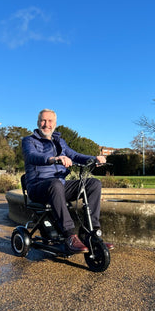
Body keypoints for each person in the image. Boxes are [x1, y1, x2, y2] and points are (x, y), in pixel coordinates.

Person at [22, 108, 114, 253]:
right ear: (38, 122)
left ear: (55, 123)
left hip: (59, 186)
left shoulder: (60, 142)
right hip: (38, 186)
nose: (46, 124)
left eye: (50, 121)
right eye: (43, 120)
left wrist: (93, 159)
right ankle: (69, 234)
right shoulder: (29, 141)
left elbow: (75, 156)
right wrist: (54, 159)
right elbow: (31, 156)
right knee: (55, 184)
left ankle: (90, 232)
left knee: (93, 184)